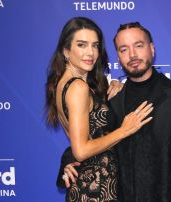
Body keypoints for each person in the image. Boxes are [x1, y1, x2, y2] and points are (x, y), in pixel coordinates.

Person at [62, 21, 171, 202]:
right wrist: (68, 161)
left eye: (138, 45)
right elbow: (93, 140)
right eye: (124, 49)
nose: (132, 54)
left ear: (152, 49)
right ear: (118, 56)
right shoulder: (112, 99)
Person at [45, 17, 153, 202]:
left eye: (95, 45)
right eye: (81, 45)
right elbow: (81, 150)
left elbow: (86, 136)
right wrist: (124, 130)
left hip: (94, 185)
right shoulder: (78, 87)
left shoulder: (69, 84)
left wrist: (116, 87)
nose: (90, 53)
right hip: (95, 191)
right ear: (66, 51)